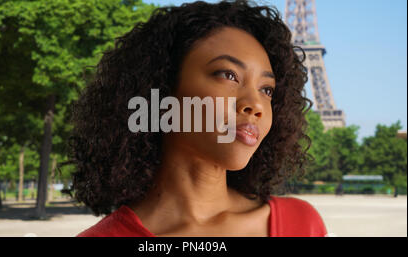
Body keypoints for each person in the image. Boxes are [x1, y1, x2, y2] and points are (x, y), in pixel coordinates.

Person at [68, 0, 327, 237]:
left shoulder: (302, 224)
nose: (256, 105)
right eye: (228, 75)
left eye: (267, 90)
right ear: (162, 89)